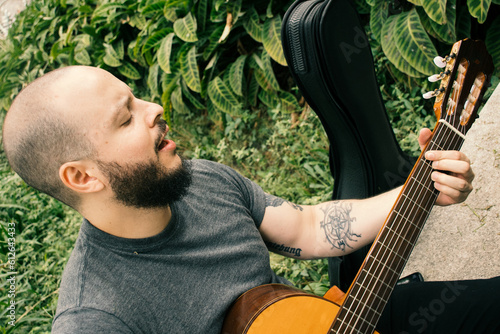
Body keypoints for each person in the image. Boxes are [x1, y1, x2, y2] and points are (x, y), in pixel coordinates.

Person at [2, 66, 498, 333]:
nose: (155, 109)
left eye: (138, 98)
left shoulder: (203, 180)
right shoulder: (97, 319)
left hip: (322, 321)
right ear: (81, 177)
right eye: (125, 117)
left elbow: (306, 228)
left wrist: (419, 189)